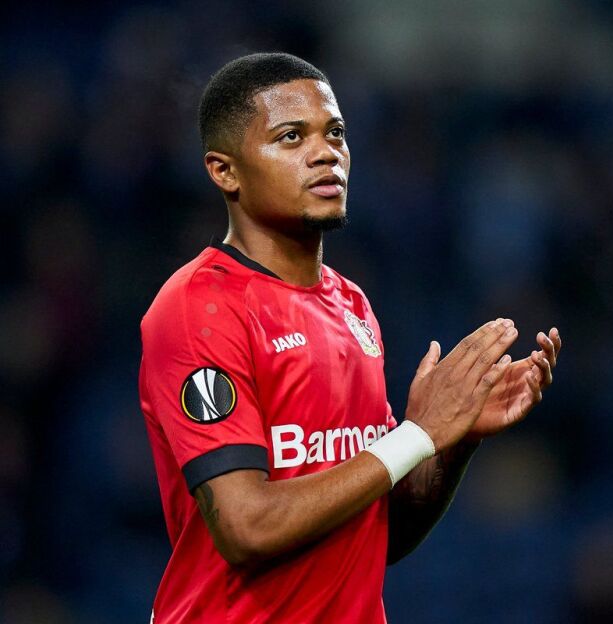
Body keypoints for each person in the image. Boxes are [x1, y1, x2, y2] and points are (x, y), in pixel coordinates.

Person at [138, 52, 561, 623]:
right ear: (224, 171)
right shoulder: (199, 308)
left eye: (335, 132)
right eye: (291, 137)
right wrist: (417, 434)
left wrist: (453, 439)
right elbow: (246, 527)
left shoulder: (351, 304)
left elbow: (376, 536)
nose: (326, 153)